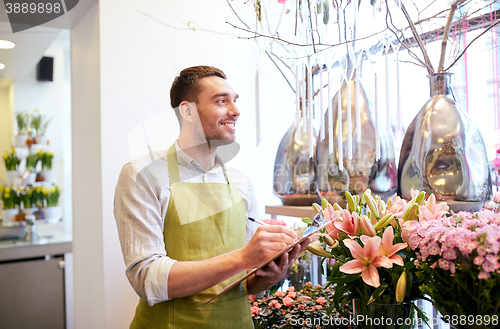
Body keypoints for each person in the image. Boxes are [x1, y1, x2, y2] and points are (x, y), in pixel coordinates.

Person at [114, 66, 311, 328]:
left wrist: (269, 274)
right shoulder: (142, 175)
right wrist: (244, 257)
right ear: (187, 111)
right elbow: (147, 278)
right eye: (221, 101)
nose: (236, 111)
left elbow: (247, 281)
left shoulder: (241, 183)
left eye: (235, 100)